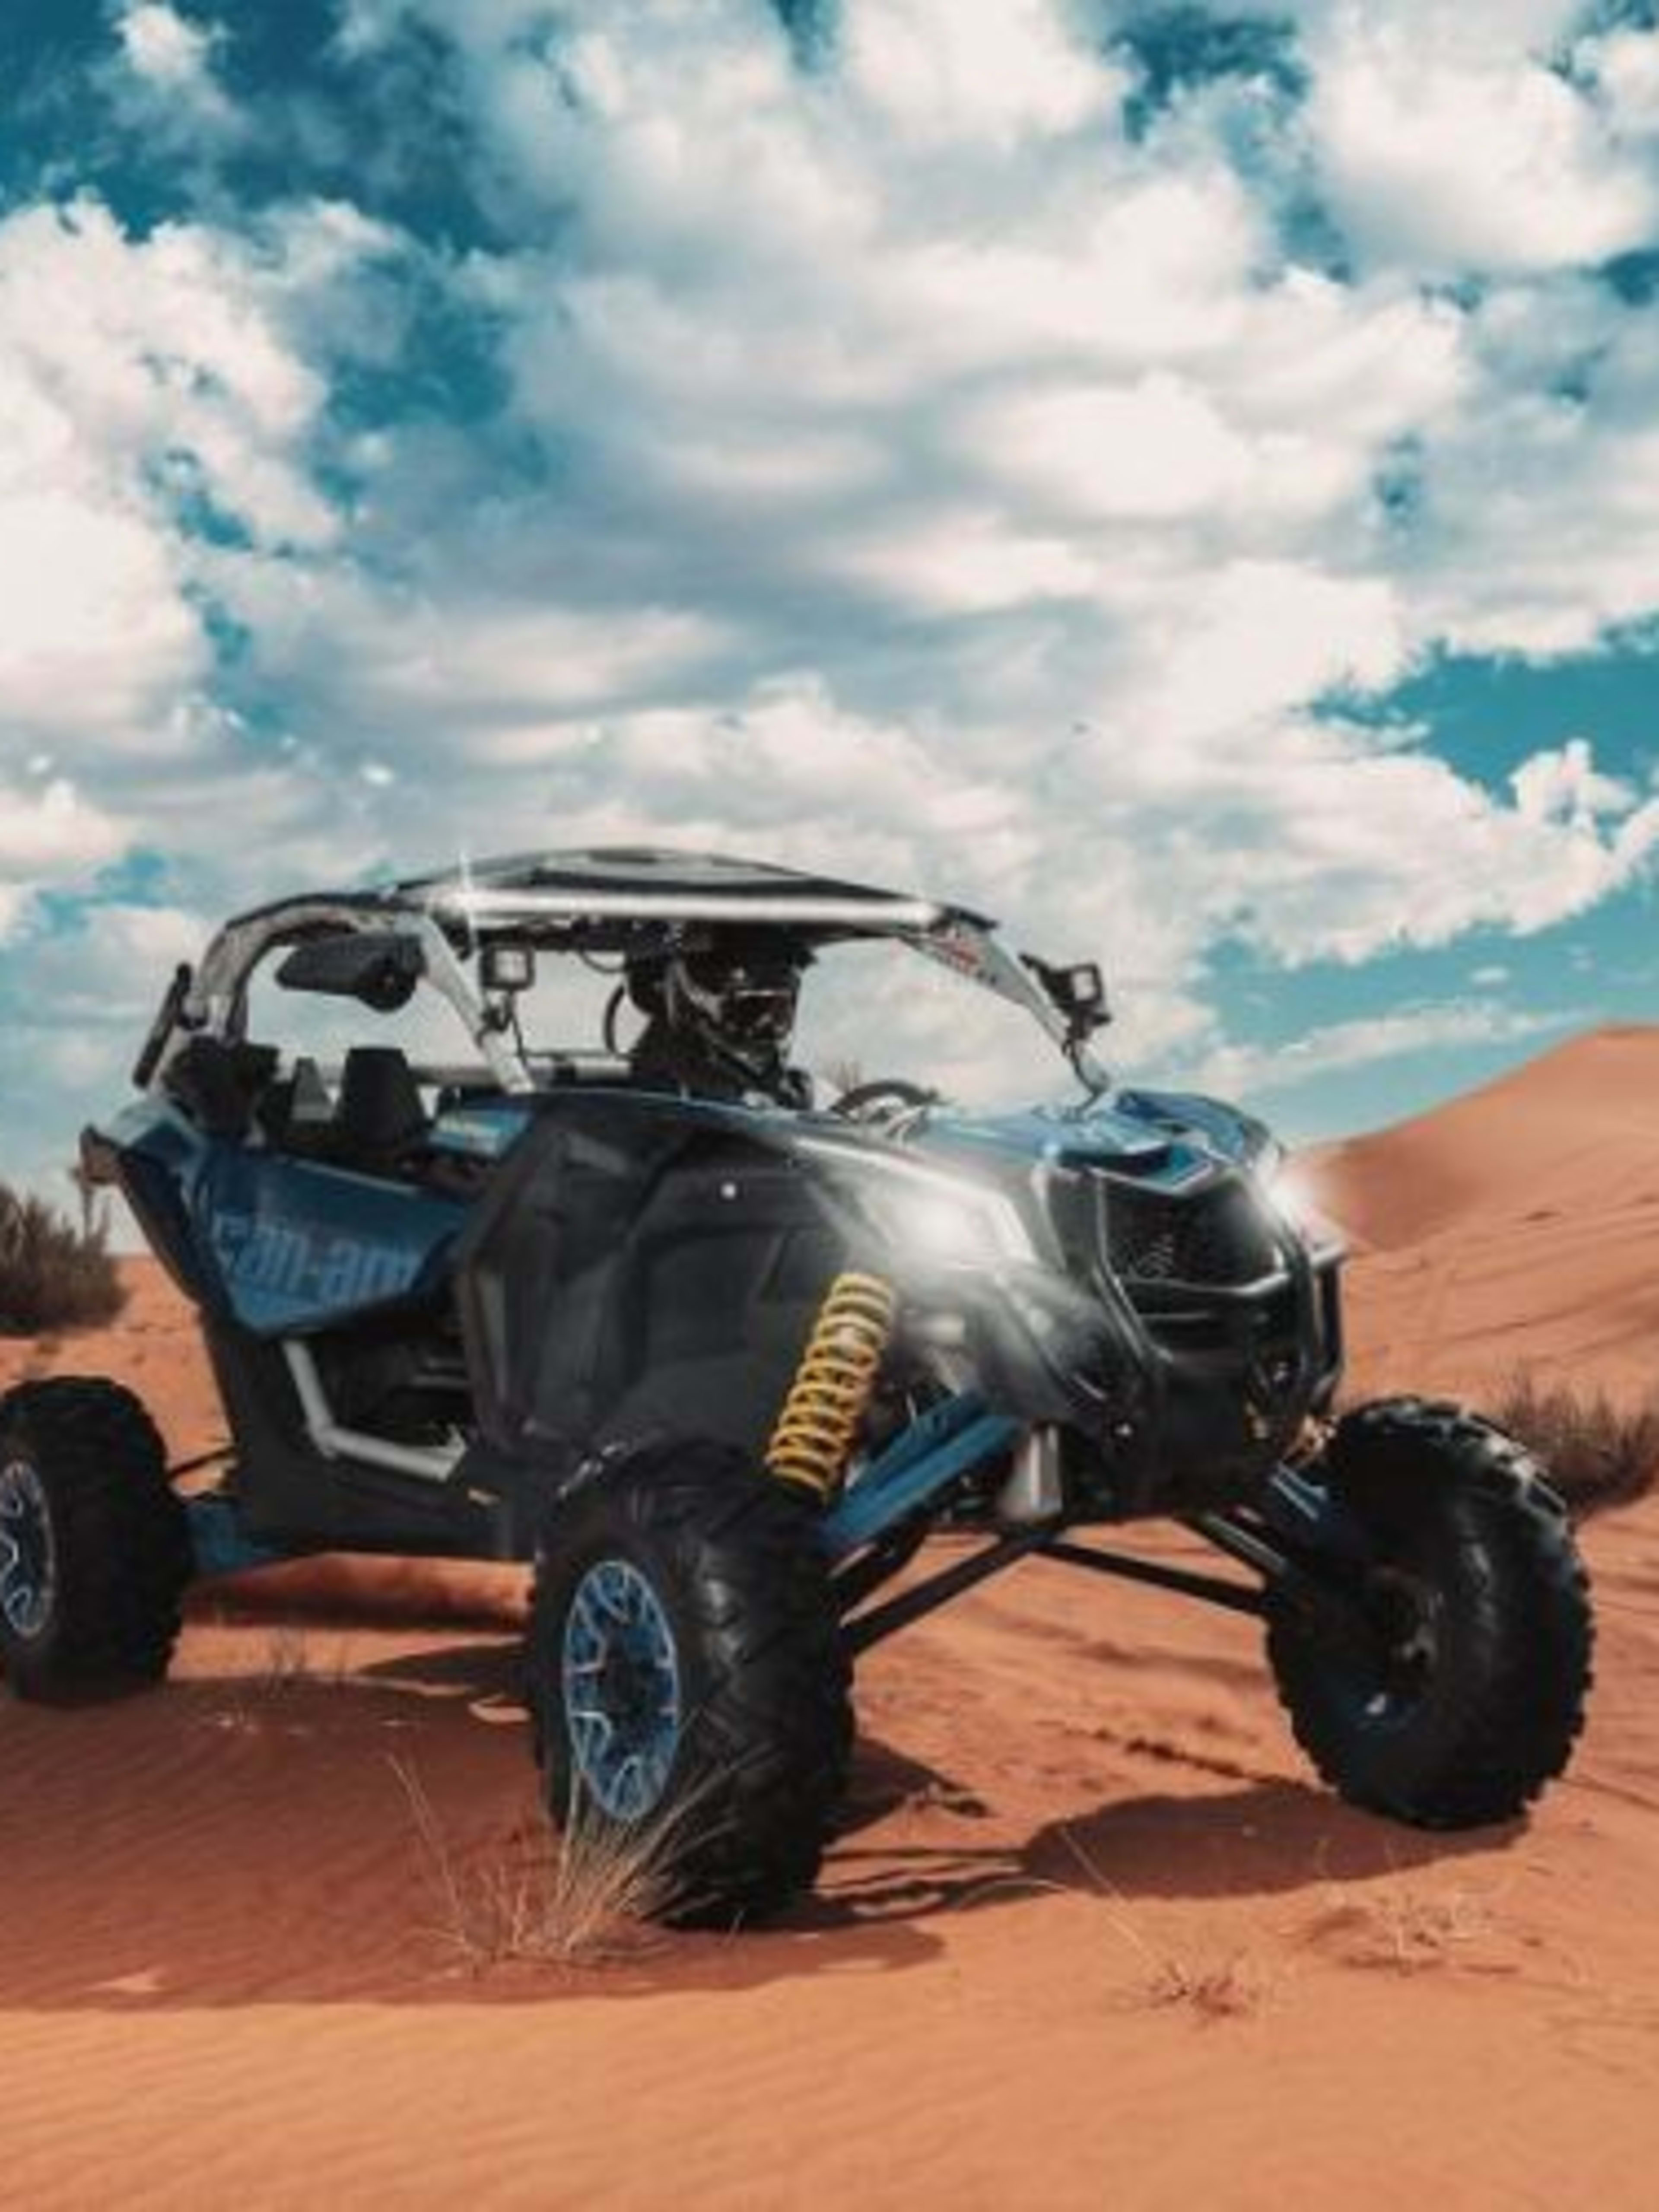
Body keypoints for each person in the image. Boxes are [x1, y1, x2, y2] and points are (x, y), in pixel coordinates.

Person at [627, 931, 813, 1106]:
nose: (767, 1025)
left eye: (781, 1012)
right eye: (750, 1008)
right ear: (694, 1001)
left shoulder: (786, 1092)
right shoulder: (658, 1106)